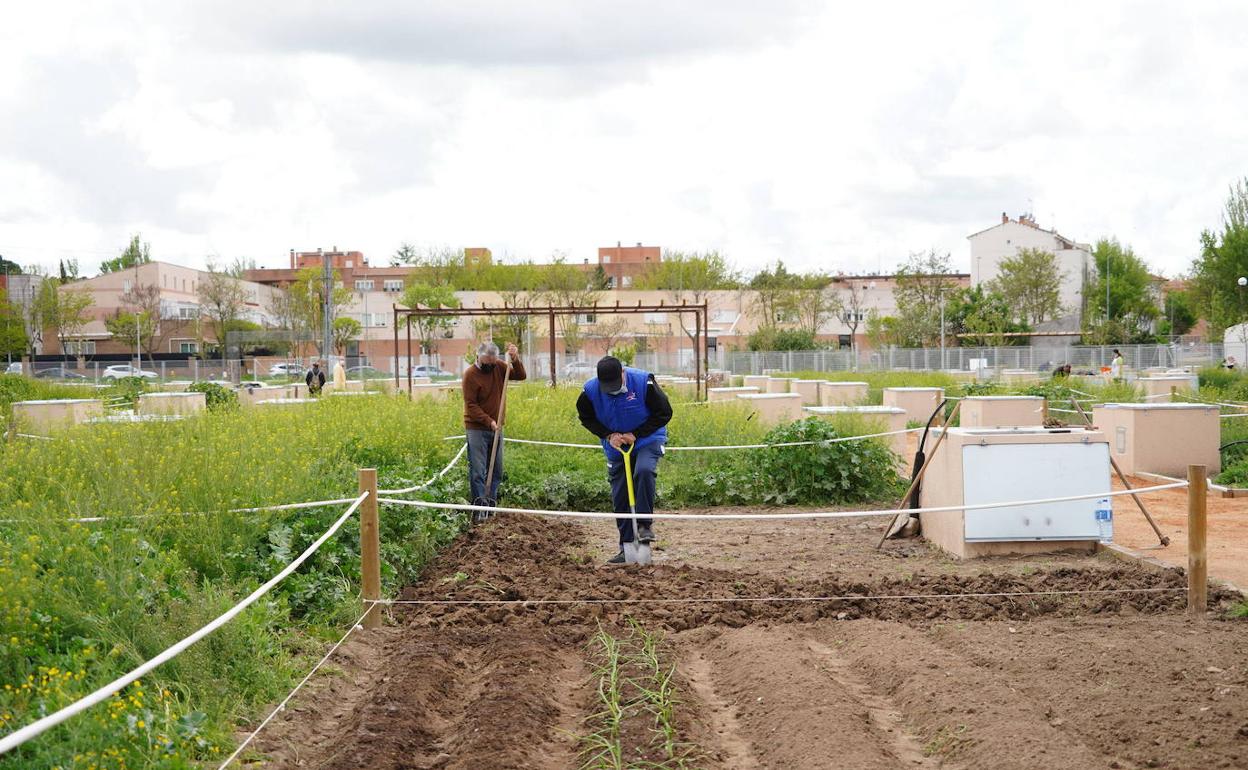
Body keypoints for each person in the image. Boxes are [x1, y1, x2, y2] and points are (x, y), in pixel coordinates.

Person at [577, 356, 673, 564]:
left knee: (644, 470)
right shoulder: (590, 391)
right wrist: (607, 434)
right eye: (607, 386)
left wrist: (637, 434)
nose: (611, 389)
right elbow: (585, 417)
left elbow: (665, 413)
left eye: (615, 383)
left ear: (623, 373)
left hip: (647, 438)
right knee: (620, 492)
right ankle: (626, 548)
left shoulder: (643, 383)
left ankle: (644, 526)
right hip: (617, 445)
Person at [462, 341, 525, 517]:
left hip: (496, 428)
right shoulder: (470, 375)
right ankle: (479, 510)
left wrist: (515, 359)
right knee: (478, 470)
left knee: (496, 470)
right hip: (476, 428)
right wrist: (488, 421)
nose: (491, 366)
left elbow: (520, 376)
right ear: (479, 357)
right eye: (487, 362)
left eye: (493, 361)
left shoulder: (498, 366)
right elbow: (471, 405)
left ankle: (491, 508)